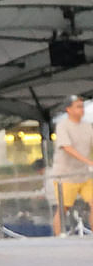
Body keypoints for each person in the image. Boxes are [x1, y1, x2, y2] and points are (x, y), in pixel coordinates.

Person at [51, 95, 92, 235]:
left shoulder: (87, 126)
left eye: (82, 106)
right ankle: (57, 237)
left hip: (85, 174)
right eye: (78, 107)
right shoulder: (62, 126)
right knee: (64, 207)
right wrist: (88, 161)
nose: (82, 110)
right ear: (68, 109)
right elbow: (67, 147)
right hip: (65, 175)